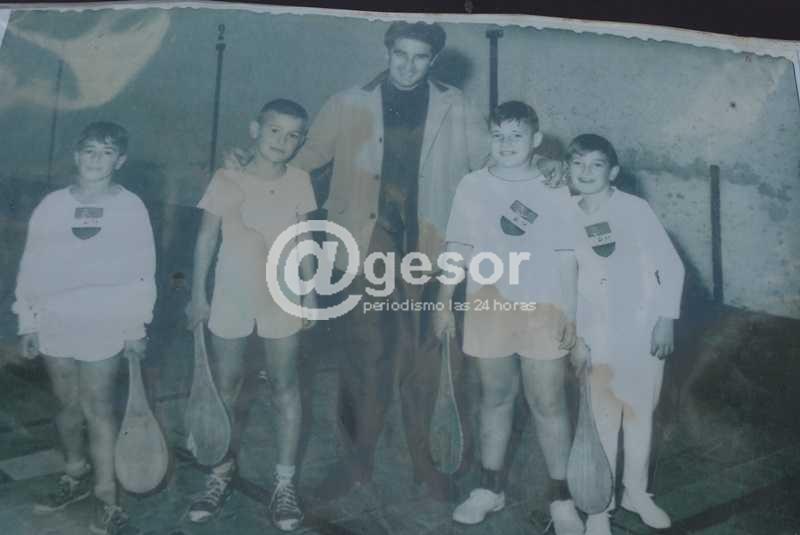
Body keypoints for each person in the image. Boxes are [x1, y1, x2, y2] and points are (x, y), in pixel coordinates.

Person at [288, 21, 488, 501]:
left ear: (433, 61)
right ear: (387, 52)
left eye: (420, 57)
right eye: (401, 54)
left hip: (428, 246)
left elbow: (489, 165)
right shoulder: (346, 103)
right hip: (366, 244)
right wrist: (251, 164)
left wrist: (545, 169)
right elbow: (305, 158)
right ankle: (353, 464)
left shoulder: (457, 106)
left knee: (428, 359)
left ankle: (429, 464)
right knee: (363, 356)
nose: (408, 66)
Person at [434, 101, 584, 534]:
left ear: (536, 140)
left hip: (544, 308)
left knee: (548, 403)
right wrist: (444, 301)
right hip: (487, 307)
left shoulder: (556, 186)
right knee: (494, 398)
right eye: (498, 135)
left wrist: (571, 314)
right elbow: (457, 246)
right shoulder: (472, 185)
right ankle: (490, 488)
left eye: (516, 135)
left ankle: (562, 498)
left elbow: (567, 256)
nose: (506, 144)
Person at [14, 121, 156, 535]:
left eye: (106, 152)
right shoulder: (52, 205)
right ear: (76, 156)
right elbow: (32, 263)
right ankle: (74, 473)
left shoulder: (130, 207)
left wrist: (136, 325)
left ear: (120, 161)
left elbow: (142, 270)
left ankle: (107, 497)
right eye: (90, 151)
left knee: (98, 408)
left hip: (105, 322)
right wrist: (28, 320)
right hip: (56, 320)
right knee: (66, 405)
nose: (96, 159)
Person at [184, 99, 317, 531]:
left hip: (283, 294)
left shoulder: (300, 180)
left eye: (293, 135)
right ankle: (219, 475)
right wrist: (198, 295)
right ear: (255, 129)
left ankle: (285, 484)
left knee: (285, 386)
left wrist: (311, 291)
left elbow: (304, 239)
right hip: (231, 294)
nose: (282, 141)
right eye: (275, 130)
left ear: (301, 142)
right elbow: (206, 238)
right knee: (226, 386)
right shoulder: (227, 177)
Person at [564, 134, 684, 534]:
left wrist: (666, 318)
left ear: (613, 171)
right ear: (568, 169)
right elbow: (564, 282)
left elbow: (671, 265)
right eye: (578, 163)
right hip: (594, 334)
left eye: (596, 164)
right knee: (601, 421)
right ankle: (600, 506)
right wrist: (576, 338)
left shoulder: (635, 209)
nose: (586, 172)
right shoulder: (564, 214)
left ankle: (636, 492)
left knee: (638, 415)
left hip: (641, 330)